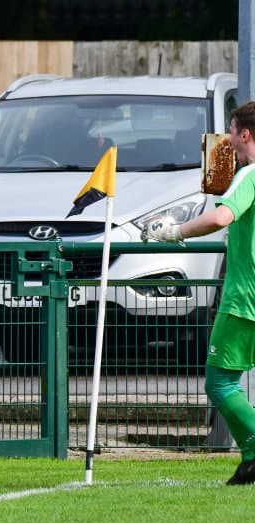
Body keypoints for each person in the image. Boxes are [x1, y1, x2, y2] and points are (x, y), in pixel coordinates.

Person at [141, 101, 255, 485]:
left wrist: (174, 231)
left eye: (231, 131)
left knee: (220, 382)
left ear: (244, 134)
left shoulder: (249, 174)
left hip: (246, 299)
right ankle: (251, 460)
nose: (227, 140)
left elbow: (222, 216)